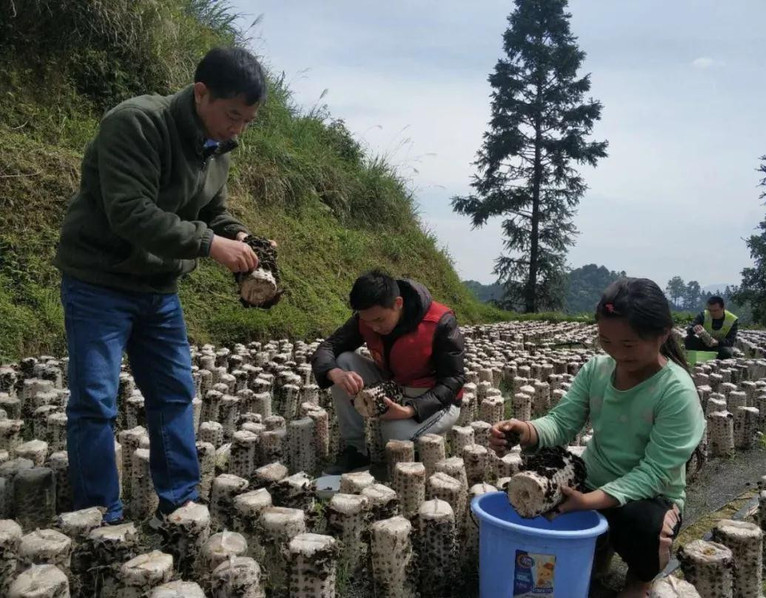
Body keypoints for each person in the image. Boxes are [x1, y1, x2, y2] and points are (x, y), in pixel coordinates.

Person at [54, 47, 268, 524]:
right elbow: (130, 212)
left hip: (159, 286)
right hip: (99, 280)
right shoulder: (136, 124)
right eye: (233, 115)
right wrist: (211, 244)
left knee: (173, 393)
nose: (237, 129)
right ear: (201, 93)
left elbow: (213, 210)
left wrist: (237, 235)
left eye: (247, 121)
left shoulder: (218, 147)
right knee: (94, 400)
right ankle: (98, 514)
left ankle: (180, 502)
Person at [489, 278, 705, 598]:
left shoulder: (676, 390)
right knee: (532, 487)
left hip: (649, 496)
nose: (617, 353)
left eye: (628, 345)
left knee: (643, 525)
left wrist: (588, 502)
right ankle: (599, 545)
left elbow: (655, 473)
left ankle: (640, 577)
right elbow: (562, 422)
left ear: (662, 335)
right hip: (590, 479)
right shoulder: (597, 370)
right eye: (606, 341)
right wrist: (527, 431)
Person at [311, 269, 465, 475]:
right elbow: (327, 347)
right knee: (342, 361)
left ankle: (418, 438)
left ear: (398, 303)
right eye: (368, 321)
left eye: (380, 320)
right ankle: (355, 450)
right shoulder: (365, 319)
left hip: (435, 400)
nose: (374, 327)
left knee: (394, 435)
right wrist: (334, 372)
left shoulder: (440, 322)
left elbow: (453, 380)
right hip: (394, 385)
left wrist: (411, 410)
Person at [684, 296, 738, 360]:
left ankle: (715, 362)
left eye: (715, 311)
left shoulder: (732, 319)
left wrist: (717, 342)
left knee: (726, 352)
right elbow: (689, 329)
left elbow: (730, 341)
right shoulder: (703, 315)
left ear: (723, 308)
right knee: (689, 339)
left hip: (718, 347)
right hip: (703, 344)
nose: (712, 313)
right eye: (710, 310)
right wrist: (693, 329)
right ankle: (694, 359)